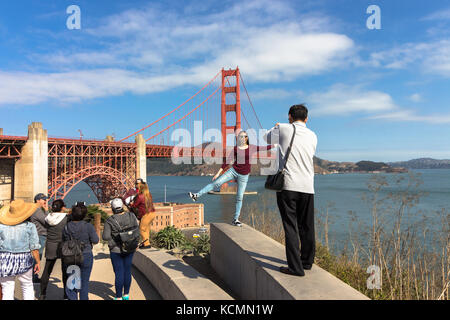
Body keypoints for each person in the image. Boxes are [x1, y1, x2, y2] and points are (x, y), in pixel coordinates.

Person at [263, 104, 317, 277]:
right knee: (307, 226)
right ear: (307, 118)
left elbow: (266, 138)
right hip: (308, 187)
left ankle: (295, 268)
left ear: (290, 116)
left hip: (288, 186)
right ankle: (307, 262)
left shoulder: (284, 128)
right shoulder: (313, 135)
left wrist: (276, 126)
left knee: (291, 227)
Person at [189, 130, 273, 227]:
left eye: (244, 136)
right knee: (216, 183)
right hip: (233, 171)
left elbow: (265, 148)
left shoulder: (252, 147)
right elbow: (227, 161)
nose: (242, 138)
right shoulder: (236, 149)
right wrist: (218, 173)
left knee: (239, 197)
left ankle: (235, 219)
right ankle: (196, 195)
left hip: (244, 176)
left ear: (247, 138)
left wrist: (278, 143)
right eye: (240, 136)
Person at [0, 199, 41, 300]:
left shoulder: (1, 227)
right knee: (27, 286)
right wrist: (38, 262)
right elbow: (34, 247)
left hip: (5, 258)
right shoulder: (30, 226)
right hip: (24, 258)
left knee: (7, 289)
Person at [102, 198, 139, 300]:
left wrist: (115, 237)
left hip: (116, 249)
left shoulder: (110, 220)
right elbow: (136, 228)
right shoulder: (131, 215)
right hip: (130, 247)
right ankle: (126, 295)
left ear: (112, 208)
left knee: (119, 272)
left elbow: (105, 237)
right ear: (122, 206)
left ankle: (118, 297)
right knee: (127, 271)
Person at [62, 202, 99, 300]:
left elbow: (64, 240)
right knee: (84, 282)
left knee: (72, 282)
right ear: (84, 215)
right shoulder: (88, 226)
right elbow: (96, 240)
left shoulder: (66, 227)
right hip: (86, 255)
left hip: (70, 256)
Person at [39, 199, 70, 300]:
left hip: (50, 245)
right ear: (62, 208)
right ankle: (66, 294)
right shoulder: (66, 218)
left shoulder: (48, 218)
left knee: (47, 271)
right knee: (65, 271)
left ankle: (42, 294)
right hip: (63, 245)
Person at [30, 193, 49, 283]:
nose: (45, 201)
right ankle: (34, 276)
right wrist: (46, 211)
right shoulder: (37, 210)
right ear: (37, 200)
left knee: (36, 256)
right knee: (37, 256)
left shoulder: (36, 209)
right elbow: (47, 221)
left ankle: (33, 275)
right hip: (40, 235)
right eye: (43, 199)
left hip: (39, 234)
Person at [130, 182, 155, 249]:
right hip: (152, 213)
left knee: (141, 229)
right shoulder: (149, 194)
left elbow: (135, 205)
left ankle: (147, 244)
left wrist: (131, 203)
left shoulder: (140, 196)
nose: (136, 189)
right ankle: (146, 243)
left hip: (146, 214)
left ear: (140, 188)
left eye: (137, 188)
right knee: (146, 229)